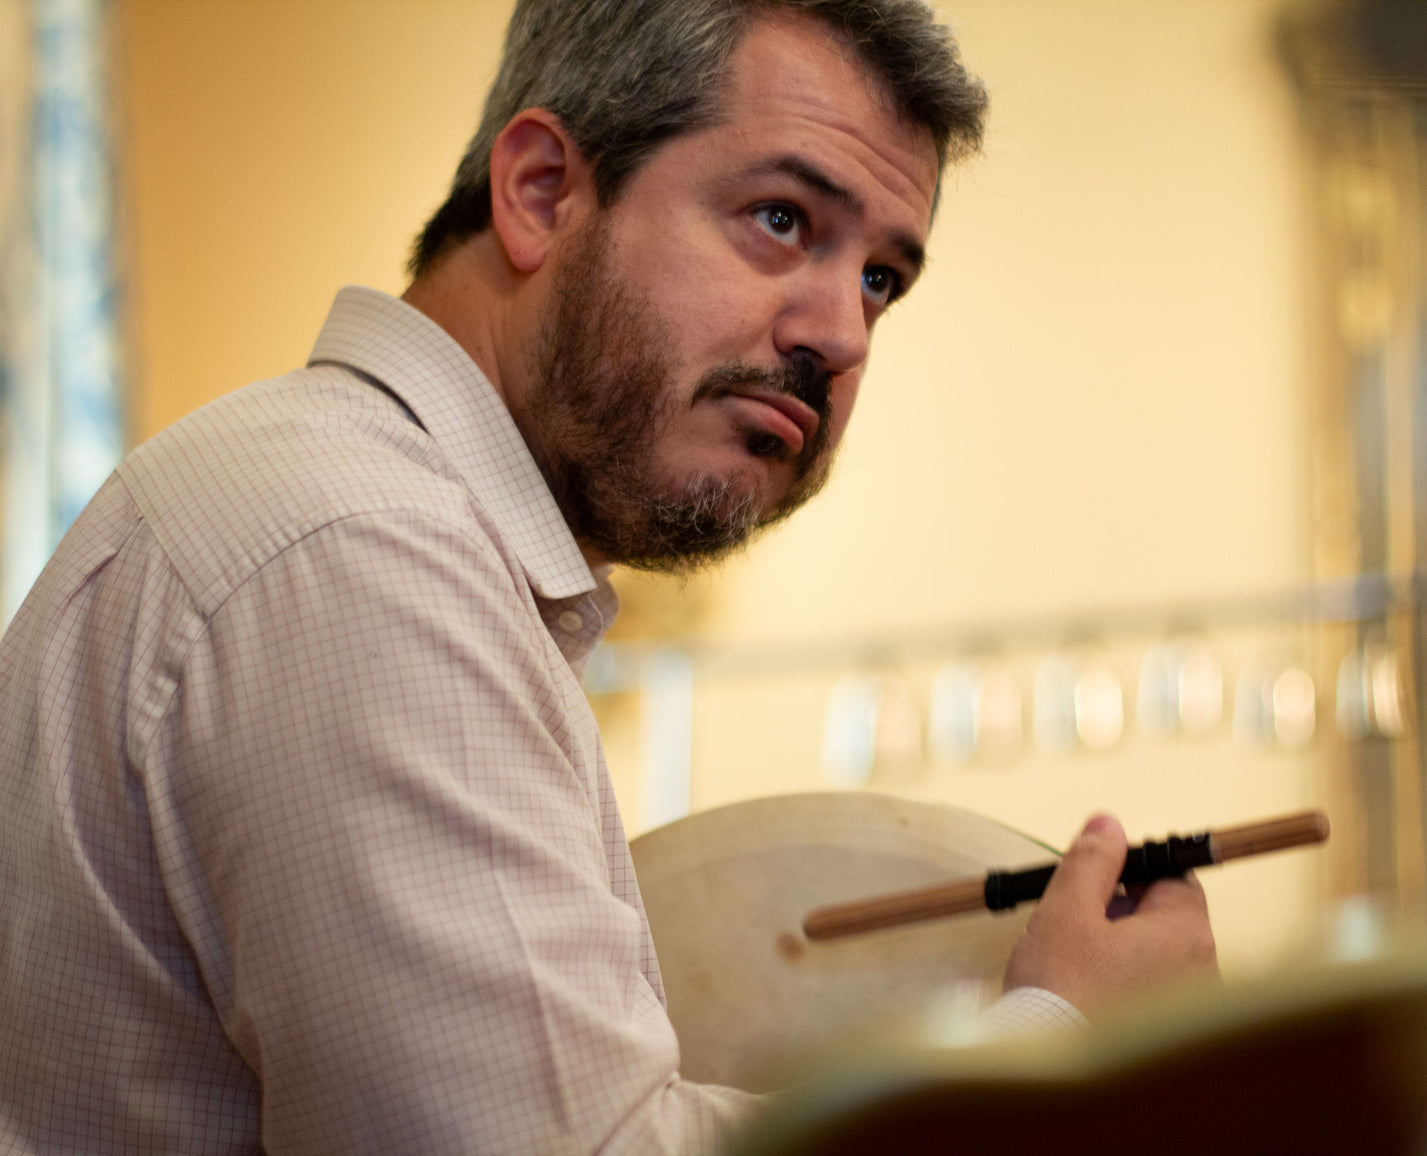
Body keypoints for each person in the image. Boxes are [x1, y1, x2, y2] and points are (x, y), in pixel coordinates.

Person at [0, 1, 1217, 1152]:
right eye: (781, 218)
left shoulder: (357, 517)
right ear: (540, 193)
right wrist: (1065, 1051)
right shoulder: (363, 553)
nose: (841, 334)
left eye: (878, 279)